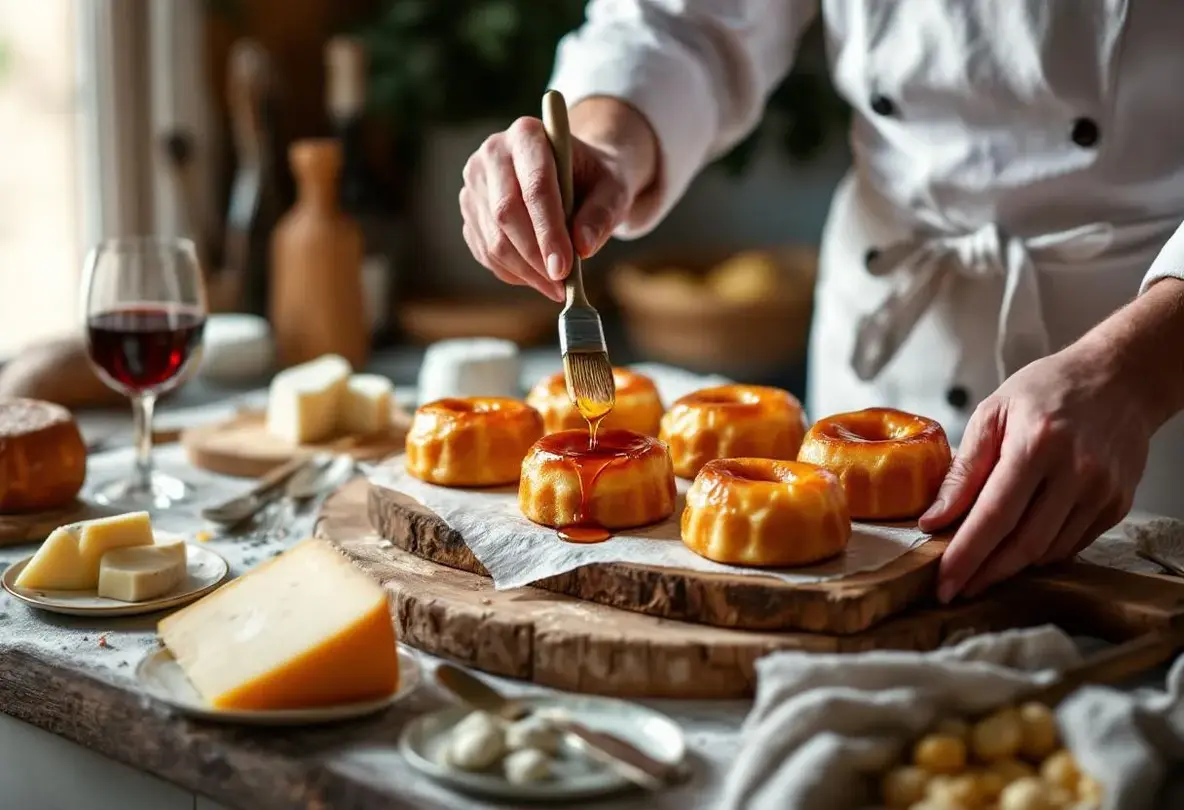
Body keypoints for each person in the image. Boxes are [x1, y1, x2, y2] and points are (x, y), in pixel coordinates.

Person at [458, 2, 1184, 602]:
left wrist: (1136, 369)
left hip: (1147, 362)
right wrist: (606, 145)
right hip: (889, 333)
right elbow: (687, 23)